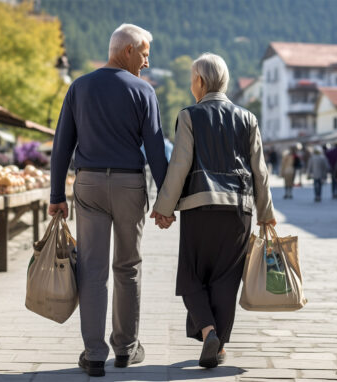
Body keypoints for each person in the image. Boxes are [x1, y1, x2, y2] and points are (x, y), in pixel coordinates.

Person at [48, 23, 168, 377]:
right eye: (145, 54)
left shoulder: (79, 87)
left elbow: (62, 147)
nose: (146, 63)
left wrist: (57, 195)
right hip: (130, 184)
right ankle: (126, 348)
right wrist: (165, 201)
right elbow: (157, 151)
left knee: (92, 269)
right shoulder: (144, 91)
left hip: (89, 184)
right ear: (128, 50)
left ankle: (95, 354)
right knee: (127, 266)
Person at [151, 53, 276, 369]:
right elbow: (259, 170)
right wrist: (266, 213)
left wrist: (164, 208)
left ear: (200, 82)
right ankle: (218, 346)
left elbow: (179, 166)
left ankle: (208, 331)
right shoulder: (248, 118)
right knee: (225, 279)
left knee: (191, 274)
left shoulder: (190, 116)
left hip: (199, 207)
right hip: (239, 210)